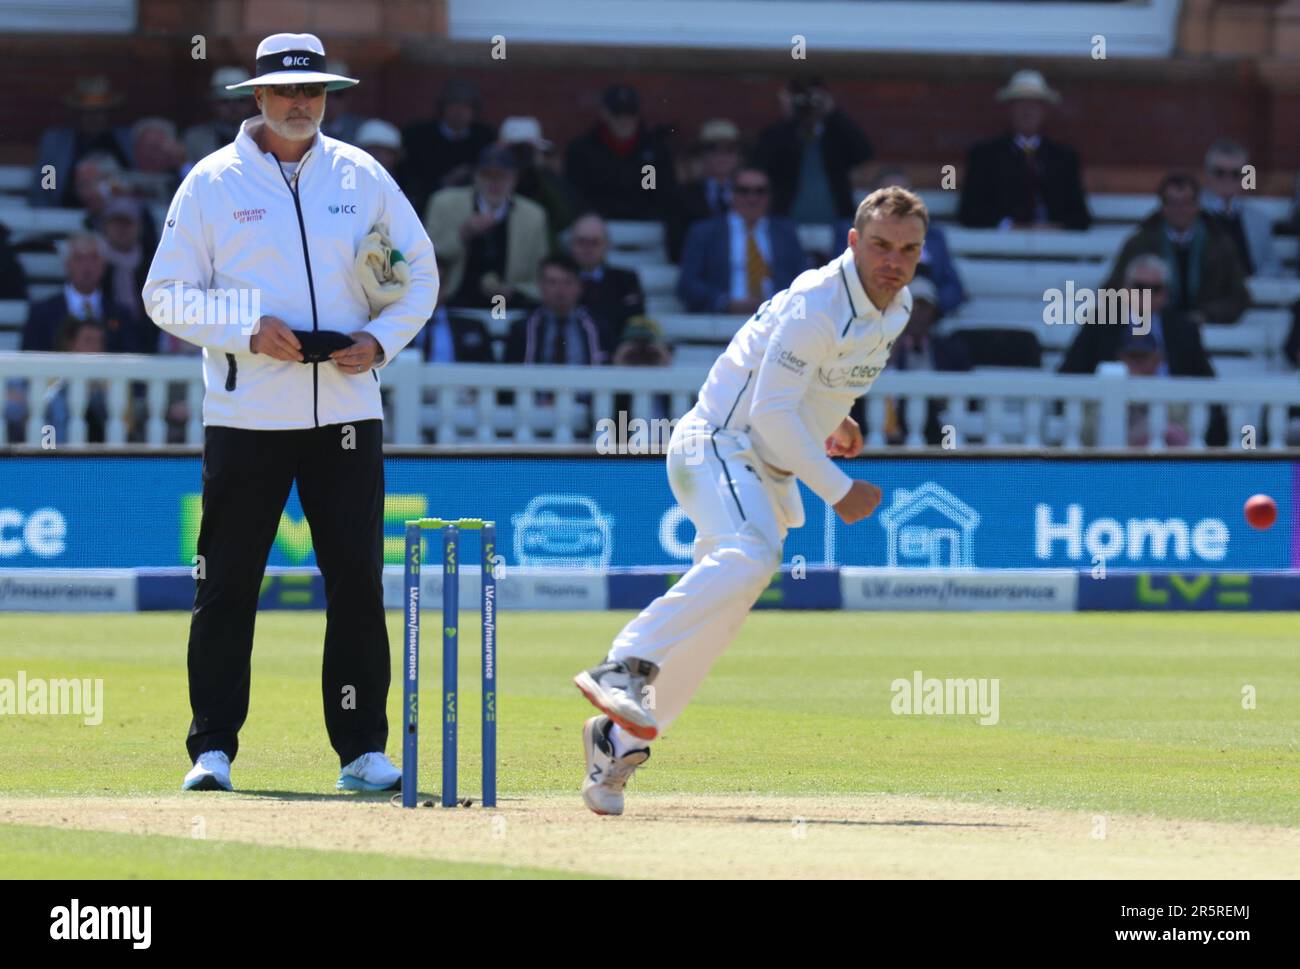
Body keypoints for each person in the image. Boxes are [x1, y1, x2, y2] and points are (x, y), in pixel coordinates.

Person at [142, 32, 437, 794]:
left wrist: (380, 340)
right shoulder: (211, 182)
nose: (301, 104)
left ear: (326, 97)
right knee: (227, 583)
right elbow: (164, 295)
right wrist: (247, 328)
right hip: (247, 415)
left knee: (356, 581)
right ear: (258, 98)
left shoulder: (362, 174)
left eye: (313, 92)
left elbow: (421, 273)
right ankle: (211, 749)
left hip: (346, 408)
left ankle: (361, 751)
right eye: (286, 92)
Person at [571, 186, 921, 815]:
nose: (893, 261)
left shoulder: (896, 310)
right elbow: (769, 411)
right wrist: (839, 489)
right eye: (880, 246)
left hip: (763, 464)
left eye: (908, 249)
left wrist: (834, 424)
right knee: (752, 552)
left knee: (720, 617)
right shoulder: (818, 304)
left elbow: (818, 385)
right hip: (718, 444)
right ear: (852, 242)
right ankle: (622, 665)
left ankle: (615, 746)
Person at [1102, 173, 1249, 325]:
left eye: (1186, 202)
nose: (1179, 209)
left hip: (1209, 326)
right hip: (1152, 324)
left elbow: (1239, 297)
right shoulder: (1139, 244)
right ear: (1162, 206)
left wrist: (1207, 315)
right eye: (1172, 202)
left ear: (1197, 205)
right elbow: (1112, 291)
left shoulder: (1220, 245)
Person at [958, 70, 1091, 230]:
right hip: (998, 245)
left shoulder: (1064, 158)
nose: (1027, 110)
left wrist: (1053, 228)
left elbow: (1080, 216)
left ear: (1044, 110)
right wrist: (1009, 226)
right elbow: (969, 212)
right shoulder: (985, 157)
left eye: (1034, 104)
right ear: (1010, 109)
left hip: (1055, 246)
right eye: (1020, 103)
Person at [425, 145, 549, 309]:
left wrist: (515, 291)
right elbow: (425, 257)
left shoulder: (533, 216)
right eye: (487, 175)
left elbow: (541, 273)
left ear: (514, 179)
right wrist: (463, 235)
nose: (495, 183)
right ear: (476, 176)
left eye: (502, 176)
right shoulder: (444, 203)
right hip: (455, 303)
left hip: (505, 307)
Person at [676, 166, 807, 314]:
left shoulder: (785, 232)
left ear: (770, 195)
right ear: (730, 194)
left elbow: (802, 279)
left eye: (760, 191)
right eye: (743, 191)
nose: (752, 198)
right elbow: (687, 285)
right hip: (721, 318)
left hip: (776, 319)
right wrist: (725, 303)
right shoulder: (705, 232)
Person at [754, 77, 873, 225]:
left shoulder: (836, 134)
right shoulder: (781, 135)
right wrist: (789, 119)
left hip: (834, 222)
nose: (808, 106)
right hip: (787, 222)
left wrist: (833, 113)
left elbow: (864, 153)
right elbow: (762, 159)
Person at [565, 84, 677, 222]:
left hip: (646, 228)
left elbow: (665, 193)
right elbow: (574, 195)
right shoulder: (582, 150)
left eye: (629, 113)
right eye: (617, 113)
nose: (624, 120)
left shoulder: (656, 150)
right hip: (597, 226)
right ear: (604, 113)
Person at [28, 76, 133, 208]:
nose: (94, 117)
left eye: (99, 111)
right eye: (87, 112)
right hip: (67, 214)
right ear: (77, 113)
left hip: (118, 216)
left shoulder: (125, 140)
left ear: (109, 112)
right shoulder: (56, 144)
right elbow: (46, 184)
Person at [399, 78, 496, 217]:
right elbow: (410, 174)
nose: (459, 112)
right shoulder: (419, 135)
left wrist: (467, 173)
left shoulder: (484, 136)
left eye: (465, 107)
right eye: (453, 106)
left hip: (473, 203)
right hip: (427, 202)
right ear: (442, 108)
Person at [667, 119, 743, 261]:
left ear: (738, 156)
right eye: (713, 148)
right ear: (702, 154)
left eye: (729, 149)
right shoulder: (682, 196)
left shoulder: (753, 193)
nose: (722, 156)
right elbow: (677, 246)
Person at [1199, 139, 1278, 277]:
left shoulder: (1260, 220)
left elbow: (1271, 265)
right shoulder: (1190, 213)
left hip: (1252, 291)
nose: (1228, 179)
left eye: (1235, 174)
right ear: (1208, 174)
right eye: (1220, 172)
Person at [569, 212, 645, 350]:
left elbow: (635, 322)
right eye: (581, 242)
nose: (587, 248)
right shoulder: (558, 280)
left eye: (594, 242)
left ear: (607, 245)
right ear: (571, 245)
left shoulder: (626, 280)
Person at [183, 67, 253, 164]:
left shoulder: (263, 137)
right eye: (225, 101)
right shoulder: (195, 139)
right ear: (213, 103)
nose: (233, 107)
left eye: (241, 100)